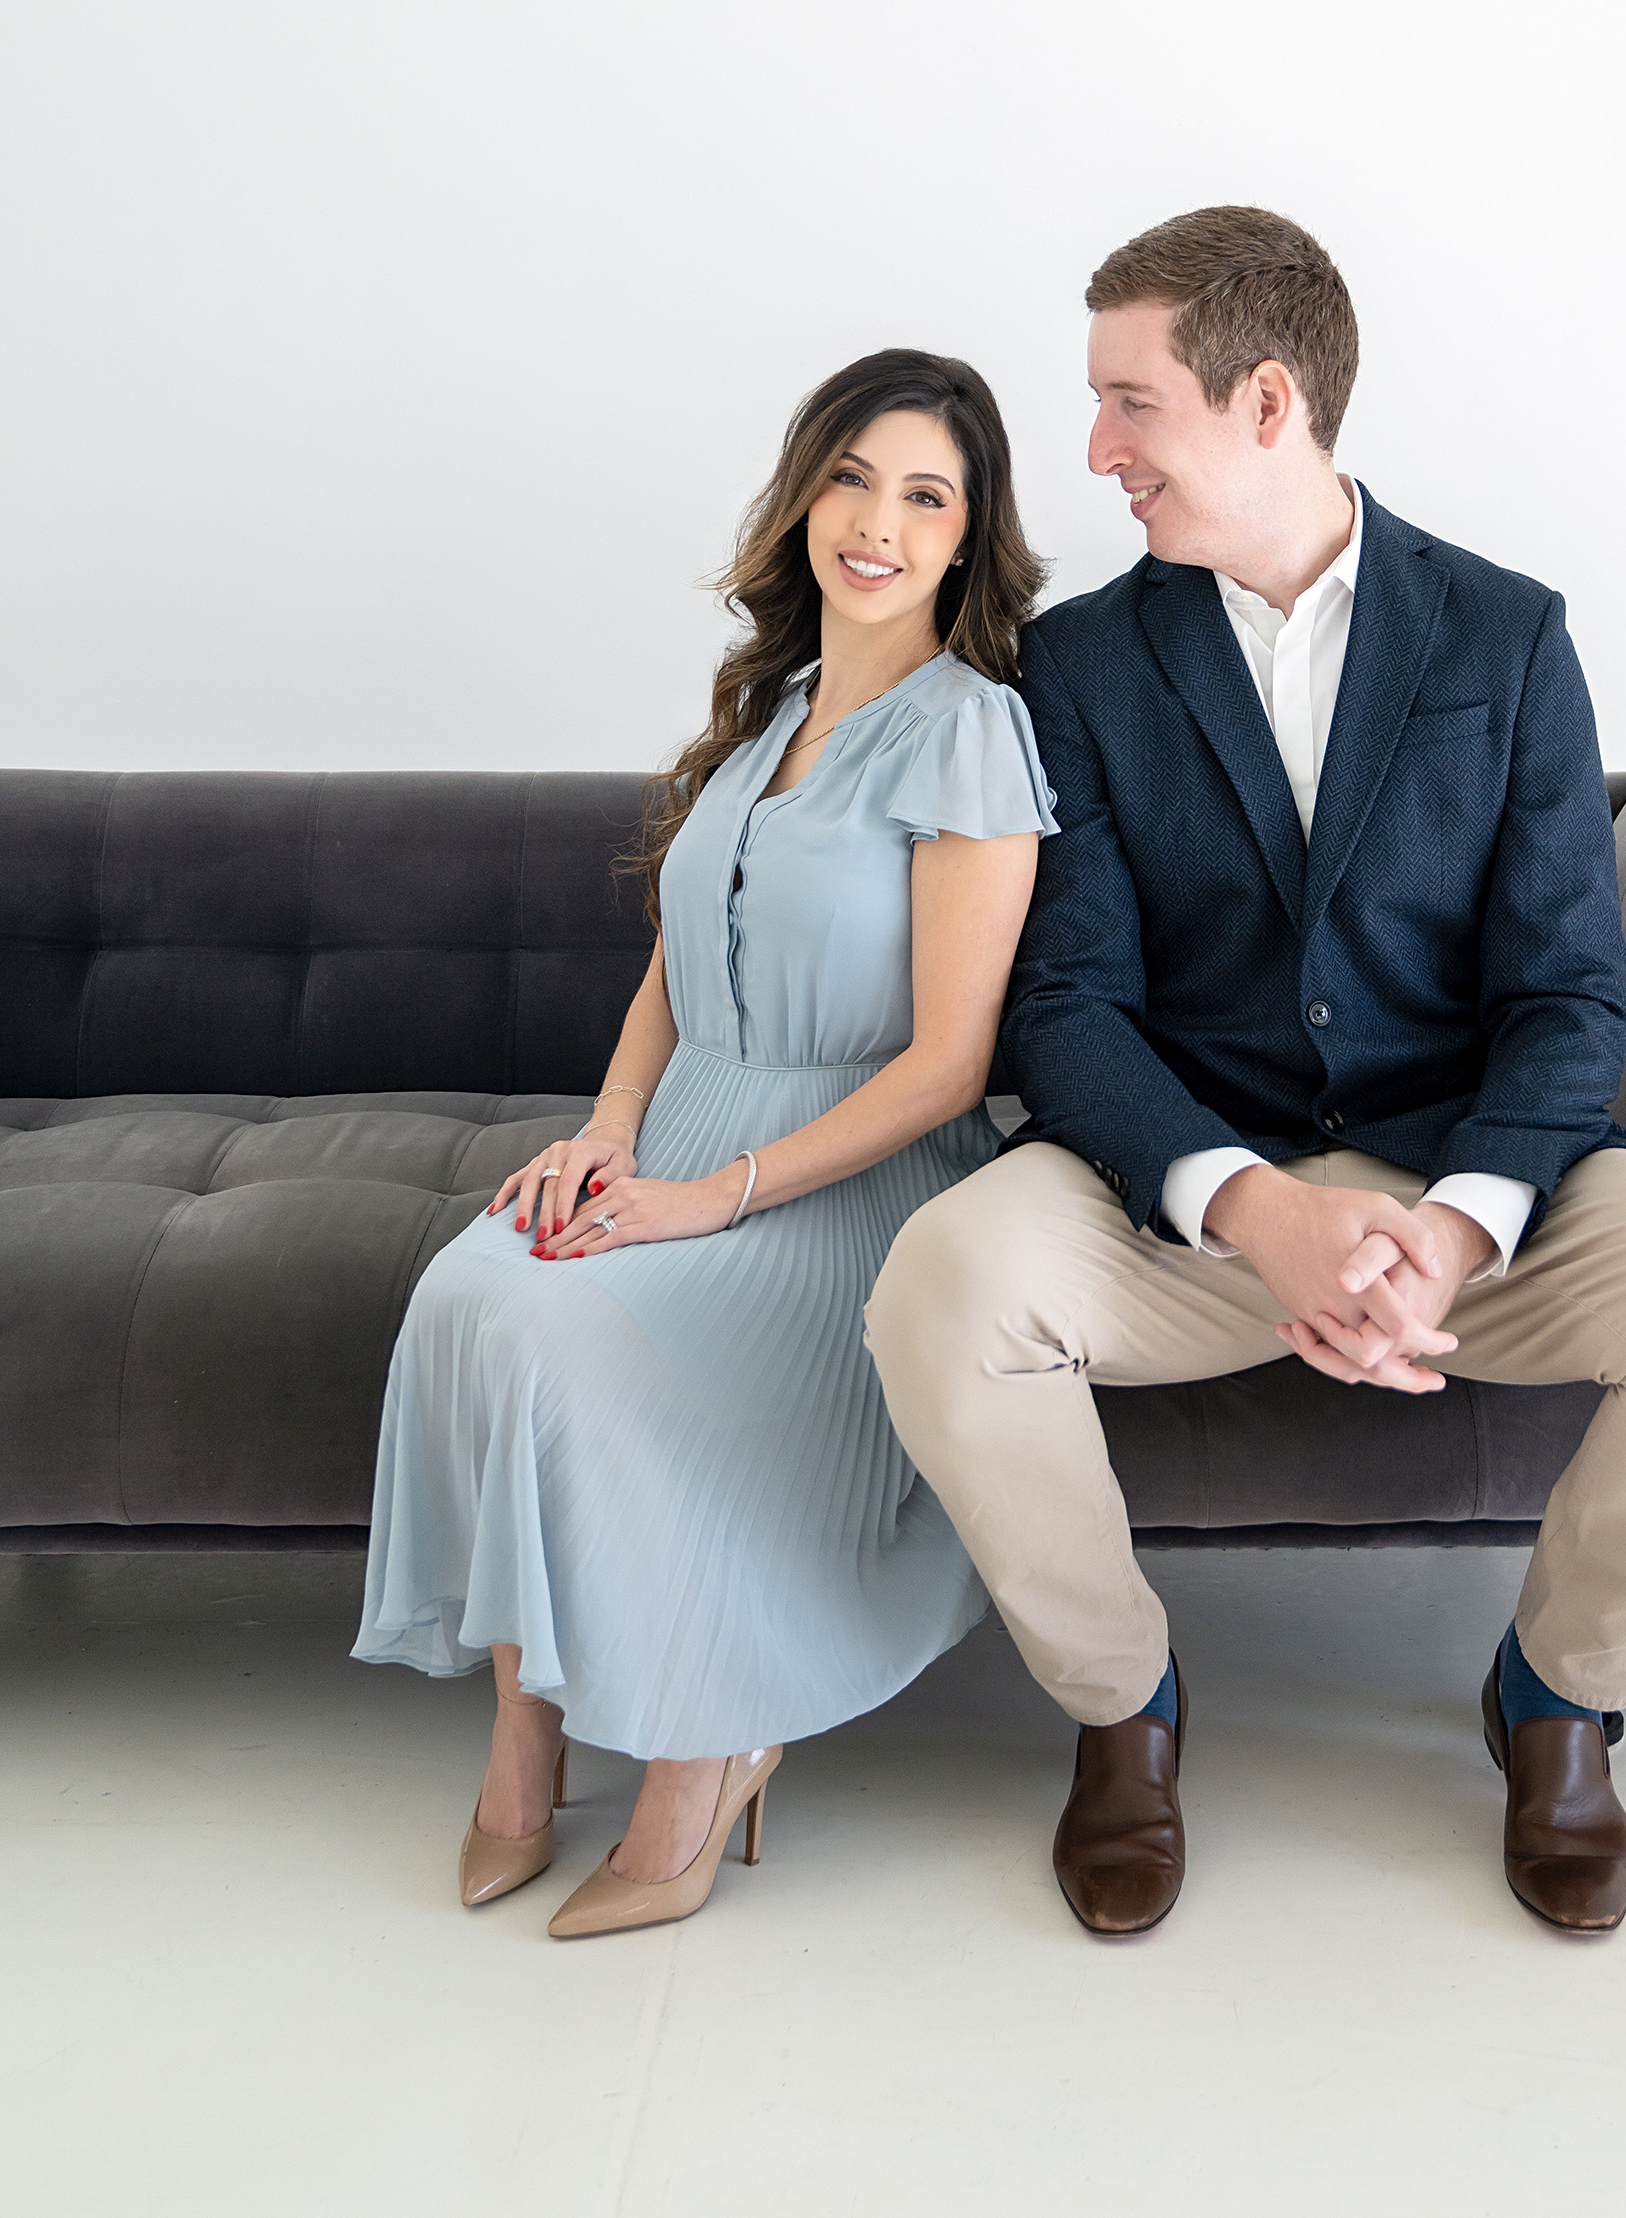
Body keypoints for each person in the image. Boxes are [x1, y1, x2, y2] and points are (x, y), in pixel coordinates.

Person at [865, 209, 1626, 1938]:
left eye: (1127, 404)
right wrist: (1252, 1207)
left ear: (1262, 402)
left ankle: (1555, 1695)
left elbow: (1565, 997)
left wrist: (1453, 1230)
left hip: (1471, 1192)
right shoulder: (1077, 665)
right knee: (940, 1286)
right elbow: (1066, 1007)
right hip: (1189, 1206)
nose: (1093, 451)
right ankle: (1121, 1703)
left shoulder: (1504, 635)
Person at [353, 350, 1056, 1939]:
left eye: (924, 495)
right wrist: (603, 1139)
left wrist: (707, 1200)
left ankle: (709, 1745)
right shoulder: (774, 711)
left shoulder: (971, 734)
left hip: (842, 1176)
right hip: (678, 1138)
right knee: (475, 1293)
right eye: (851, 478)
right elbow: (673, 967)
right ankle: (524, 1732)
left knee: (548, 1327)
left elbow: (950, 1065)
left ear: (967, 538)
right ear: (806, 493)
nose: (877, 522)